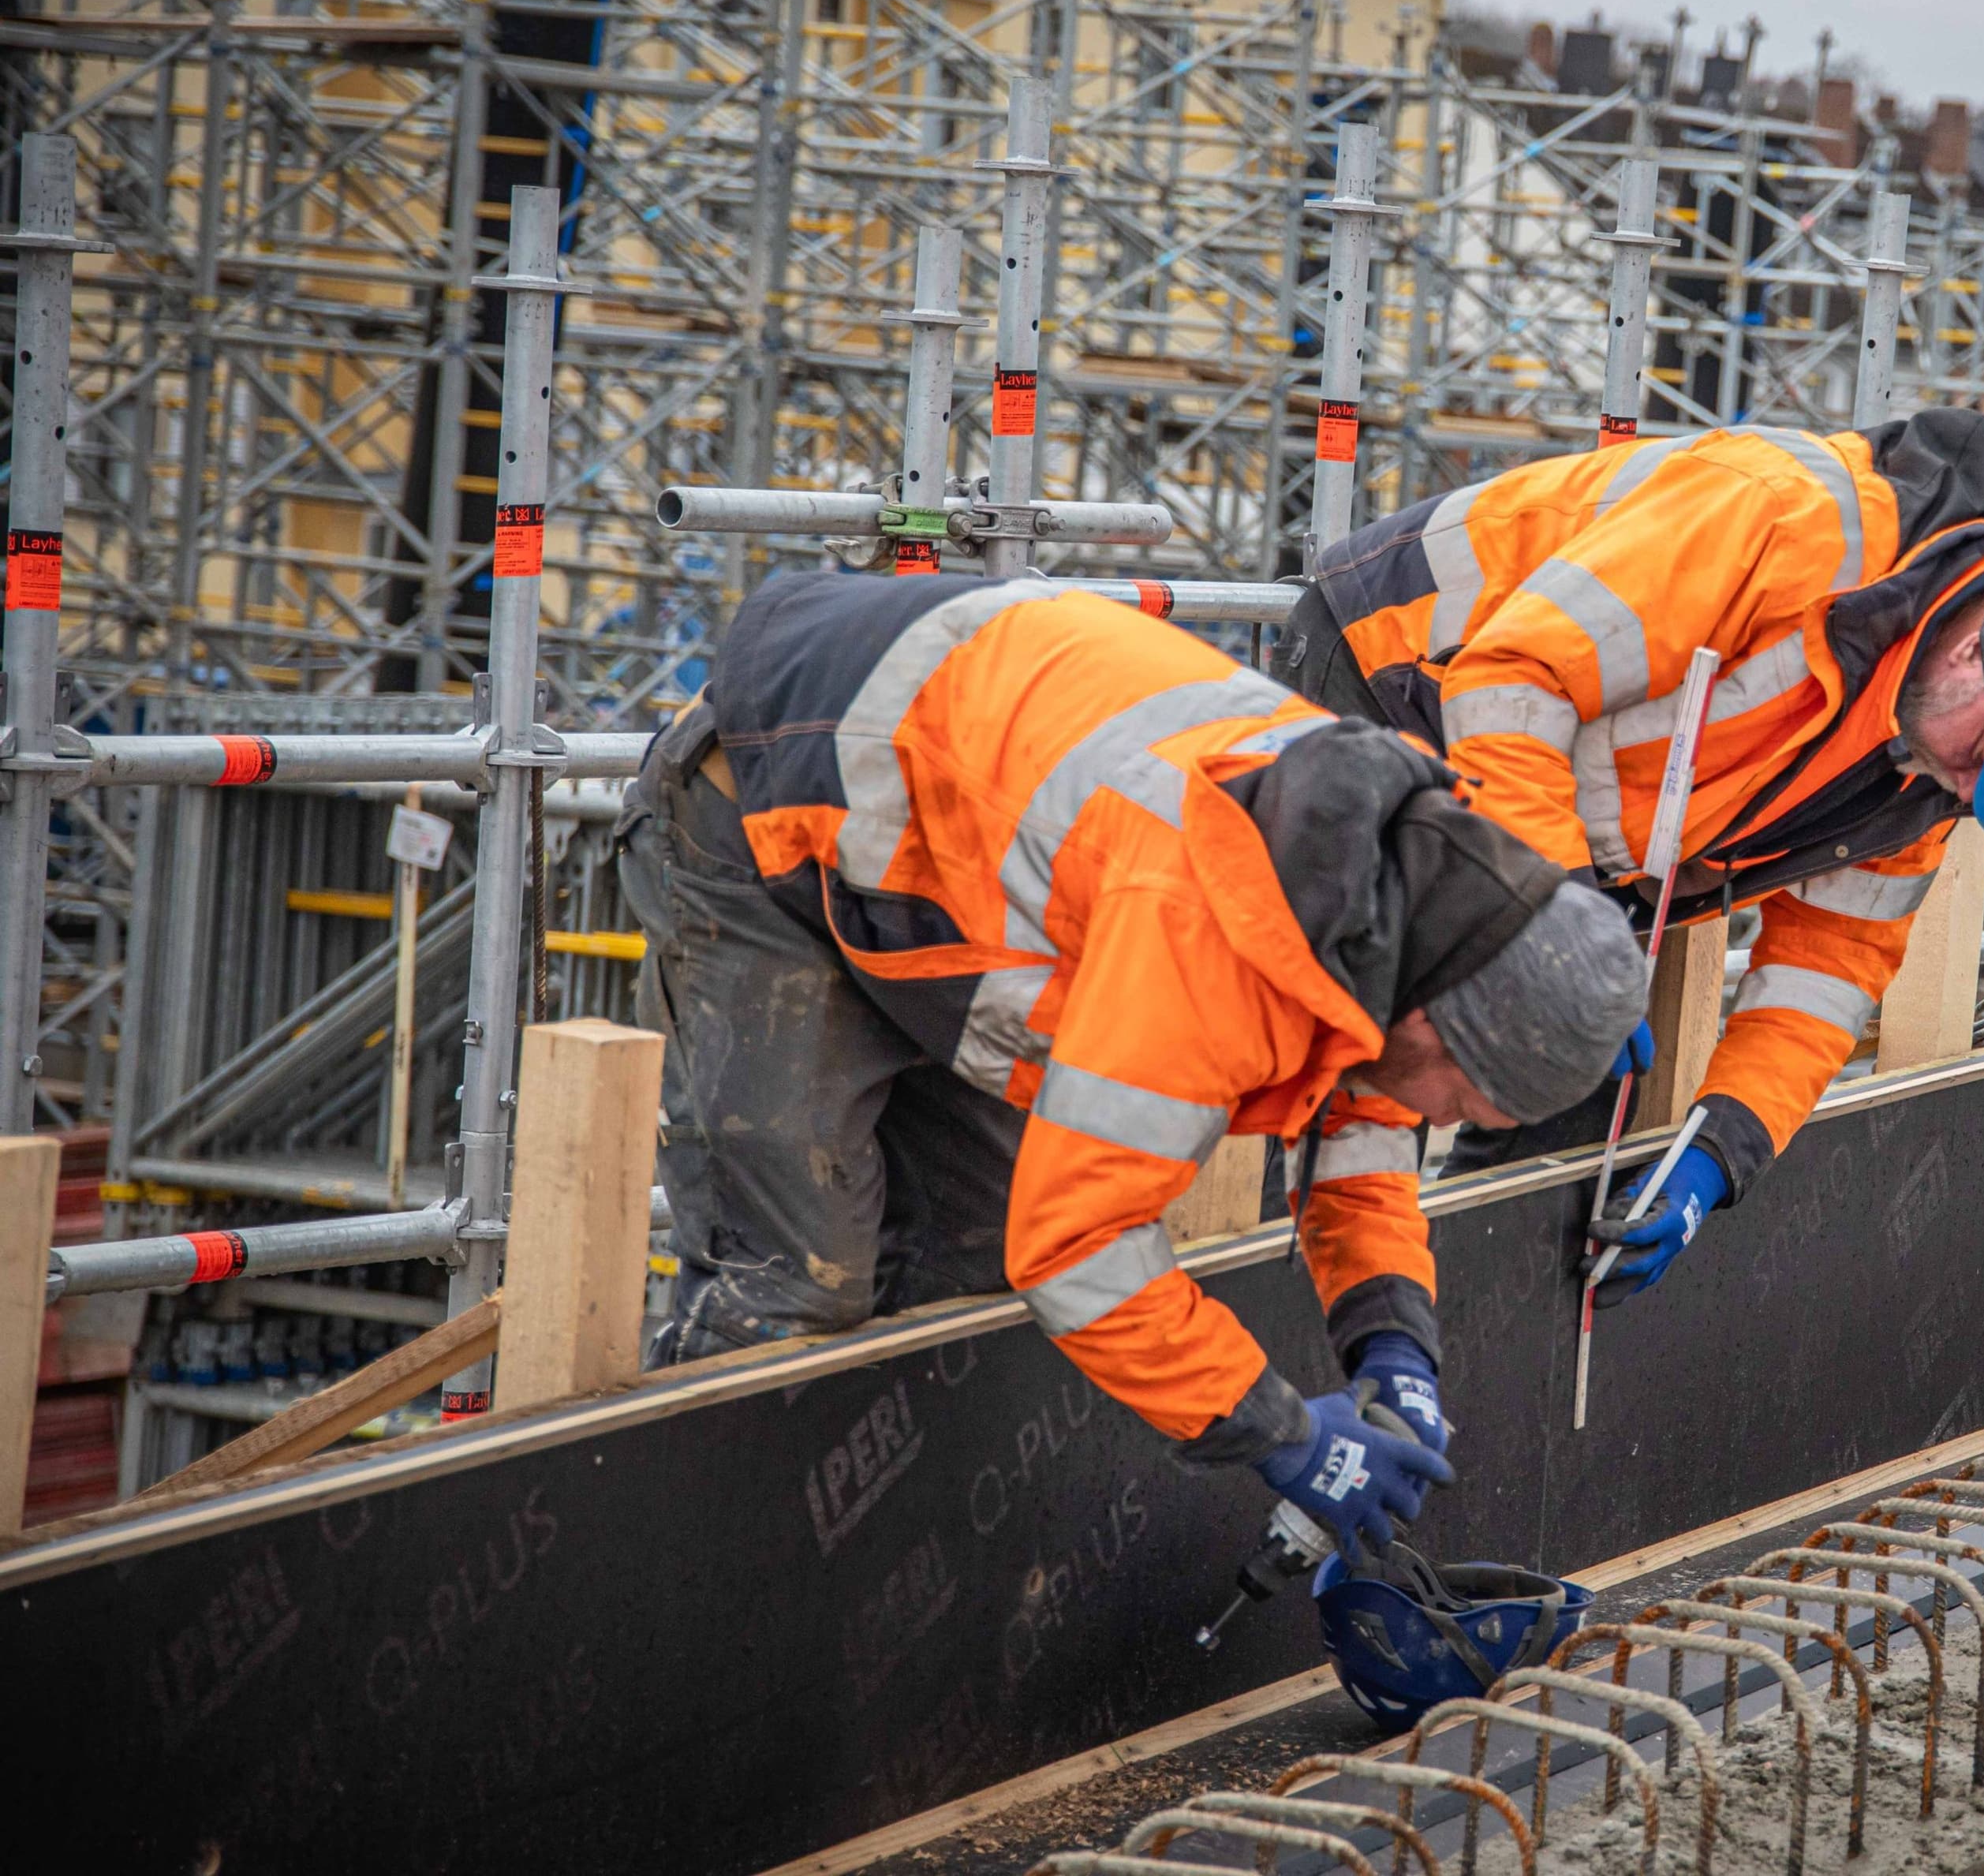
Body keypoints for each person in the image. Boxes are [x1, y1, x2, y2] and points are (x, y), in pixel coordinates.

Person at [621, 573, 1650, 1548]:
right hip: (766, 808)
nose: (1448, 1119)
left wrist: (1394, 1341)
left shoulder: (1388, 904)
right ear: (1437, 1024)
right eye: (1466, 1101)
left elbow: (1360, 1126)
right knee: (793, 1291)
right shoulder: (1206, 932)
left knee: (969, 1270)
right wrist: (1288, 1435)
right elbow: (1079, 1251)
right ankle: (678, 1589)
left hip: (951, 844)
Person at [1276, 408, 1984, 1302]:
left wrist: (1716, 1157)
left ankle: (1455, 1349)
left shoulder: (1922, 766)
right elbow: (1515, 677)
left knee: (1568, 1087)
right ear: (1973, 657)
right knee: (1389, 1039)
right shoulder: (1782, 519)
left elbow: (1828, 971)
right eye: (1978, 763)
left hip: (1582, 828)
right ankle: (1327, 1319)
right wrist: (1548, 920)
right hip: (1397, 679)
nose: (1963, 796)